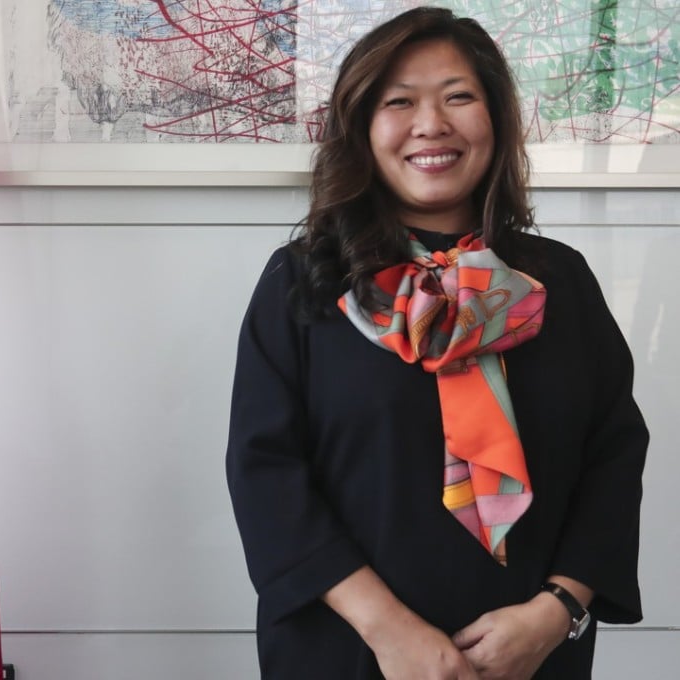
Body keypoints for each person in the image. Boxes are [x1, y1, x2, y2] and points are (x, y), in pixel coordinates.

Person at [225, 6, 648, 679]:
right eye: (400, 102)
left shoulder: (557, 280)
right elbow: (265, 474)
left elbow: (613, 458)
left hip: (529, 655)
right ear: (362, 127)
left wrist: (557, 610)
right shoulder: (303, 281)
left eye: (459, 97)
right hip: (347, 649)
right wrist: (389, 631)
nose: (432, 124)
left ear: (496, 122)